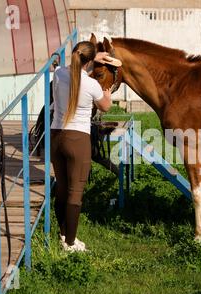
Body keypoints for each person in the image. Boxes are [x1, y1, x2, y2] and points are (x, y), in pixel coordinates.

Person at [50, 41, 114, 252]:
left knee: (61, 188)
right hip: (77, 140)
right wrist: (108, 93)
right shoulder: (93, 85)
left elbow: (74, 64)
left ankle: (62, 235)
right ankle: (70, 243)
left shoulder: (58, 74)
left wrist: (91, 57)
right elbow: (105, 107)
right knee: (75, 193)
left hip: (56, 136)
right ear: (89, 62)